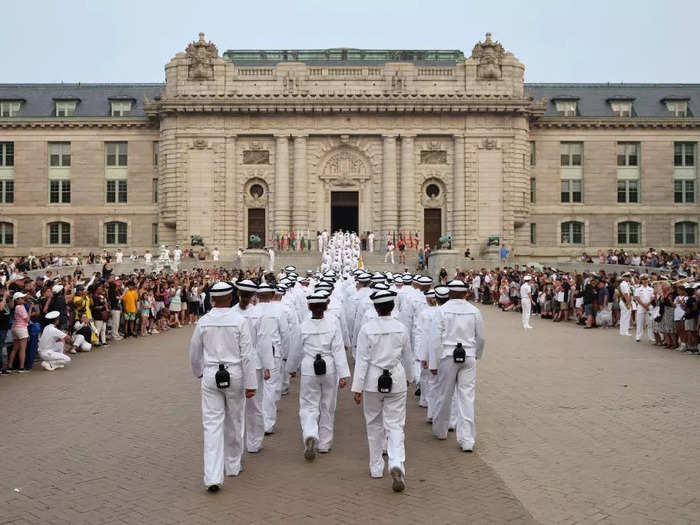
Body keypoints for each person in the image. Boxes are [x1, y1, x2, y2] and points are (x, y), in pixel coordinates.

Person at [188, 281, 257, 492]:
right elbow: (247, 354)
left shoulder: (204, 321)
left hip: (210, 373)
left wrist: (198, 371)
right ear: (231, 298)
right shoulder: (239, 321)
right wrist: (250, 382)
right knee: (235, 420)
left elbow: (194, 351)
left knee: (212, 424)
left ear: (212, 299)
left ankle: (212, 475)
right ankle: (233, 464)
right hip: (234, 372)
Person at [352, 289, 412, 492]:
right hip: (396, 377)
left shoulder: (367, 329)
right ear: (392, 307)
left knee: (374, 424)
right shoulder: (401, 328)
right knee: (395, 424)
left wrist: (357, 387)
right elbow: (408, 356)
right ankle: (396, 461)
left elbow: (361, 360)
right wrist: (411, 378)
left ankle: (376, 467)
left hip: (371, 380)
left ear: (375, 308)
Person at [286, 293, 350, 460]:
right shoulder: (332, 325)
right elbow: (338, 350)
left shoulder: (303, 326)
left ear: (309, 307)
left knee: (308, 404)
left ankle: (310, 433)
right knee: (328, 405)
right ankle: (324, 444)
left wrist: (291, 368)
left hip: (309, 367)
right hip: (329, 367)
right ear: (326, 307)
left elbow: (296, 350)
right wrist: (343, 374)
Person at [428, 279, 485, 453]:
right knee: (467, 397)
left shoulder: (442, 310)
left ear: (450, 293)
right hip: (468, 355)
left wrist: (434, 362)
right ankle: (467, 439)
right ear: (466, 293)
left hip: (447, 355)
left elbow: (435, 339)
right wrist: (477, 355)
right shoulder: (474, 311)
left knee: (444, 394)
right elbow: (481, 338)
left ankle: (441, 430)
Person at [8, 291, 29, 373]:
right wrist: (30, 309)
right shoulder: (21, 307)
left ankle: (9, 366)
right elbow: (27, 319)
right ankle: (21, 368)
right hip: (21, 328)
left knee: (15, 349)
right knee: (22, 349)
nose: (24, 299)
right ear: (17, 299)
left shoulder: (16, 307)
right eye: (22, 298)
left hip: (15, 328)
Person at [634, 275, 655, 342]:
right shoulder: (638, 289)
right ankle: (638, 337)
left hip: (649, 307)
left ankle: (651, 337)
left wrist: (647, 304)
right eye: (643, 279)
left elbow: (652, 298)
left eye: (646, 279)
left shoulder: (651, 289)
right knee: (639, 322)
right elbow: (637, 298)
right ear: (641, 280)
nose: (645, 281)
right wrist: (644, 305)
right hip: (641, 307)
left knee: (650, 323)